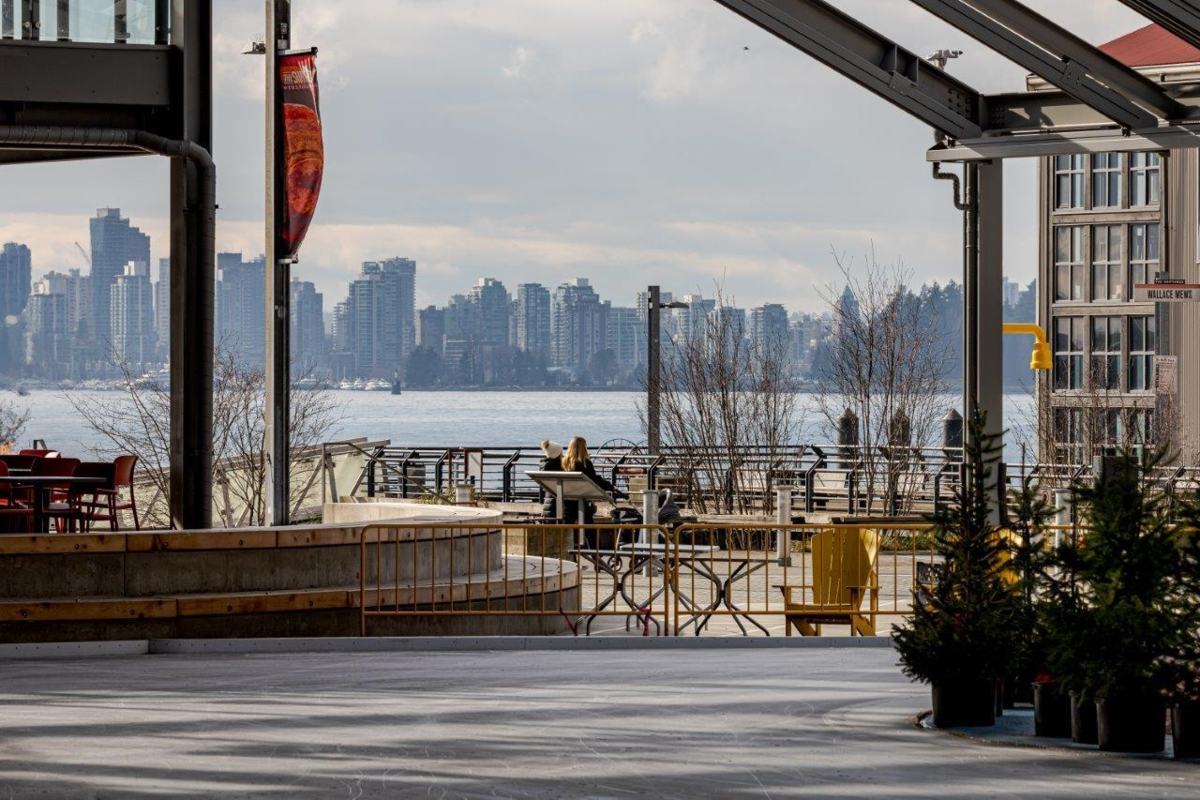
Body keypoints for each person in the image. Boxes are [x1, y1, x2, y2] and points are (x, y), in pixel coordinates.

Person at [538, 439, 563, 518]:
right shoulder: (557, 467)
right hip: (556, 503)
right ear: (557, 455)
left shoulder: (544, 465)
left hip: (548, 499)